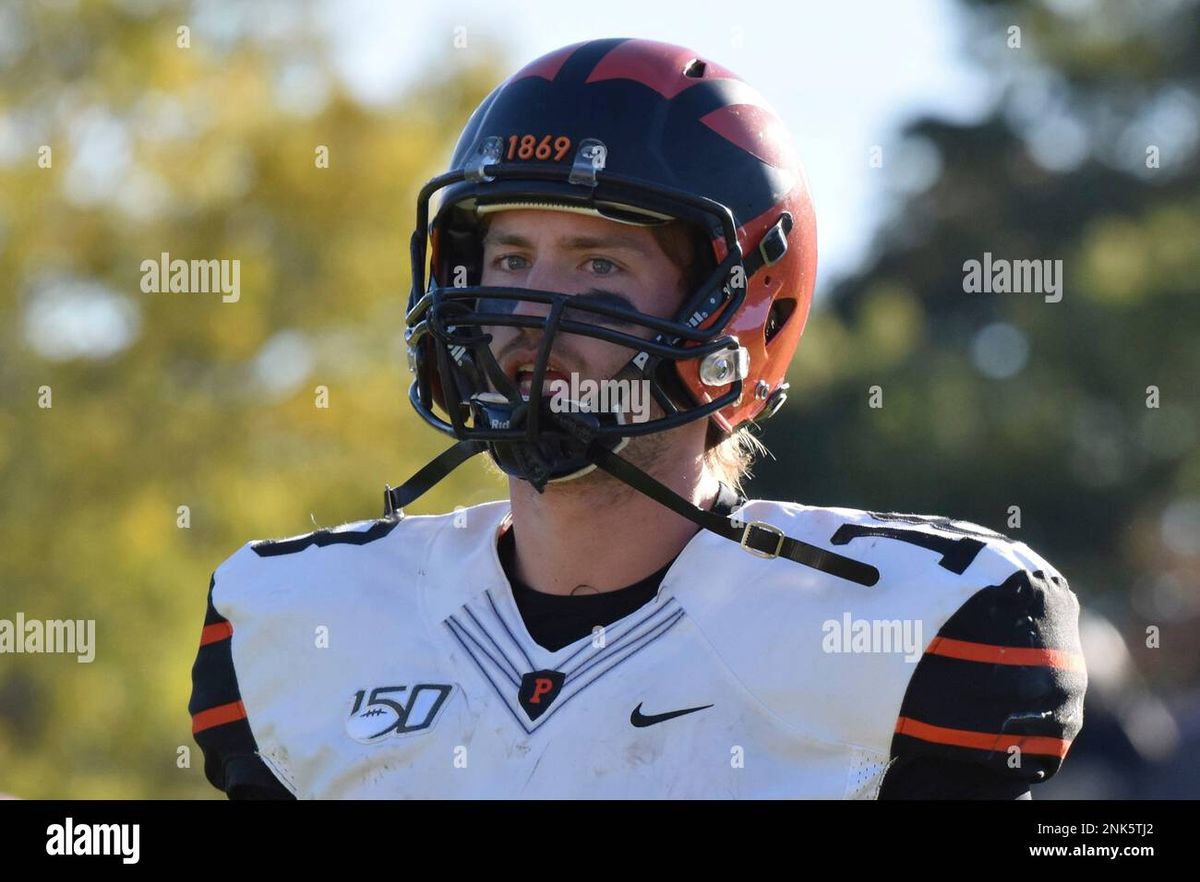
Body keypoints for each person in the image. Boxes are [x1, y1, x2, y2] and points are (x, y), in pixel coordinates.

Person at [189, 37, 1086, 799]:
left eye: (599, 266)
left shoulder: (916, 631)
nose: (532, 312)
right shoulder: (295, 625)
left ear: (742, 311)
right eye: (509, 255)